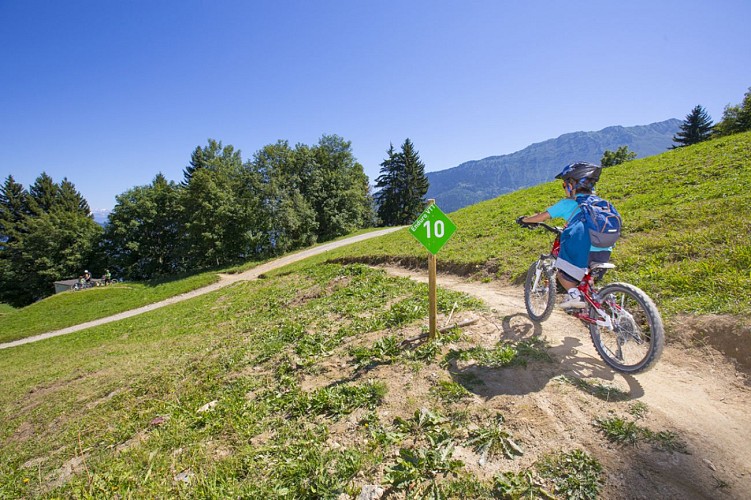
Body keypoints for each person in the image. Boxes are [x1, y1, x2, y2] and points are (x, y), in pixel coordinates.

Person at [517, 161, 614, 309]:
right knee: (587, 279)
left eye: (564, 185)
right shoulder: (602, 203)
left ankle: (575, 297)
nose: (564, 188)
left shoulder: (567, 203)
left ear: (571, 184)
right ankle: (594, 305)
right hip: (604, 249)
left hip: (582, 250)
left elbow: (542, 217)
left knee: (562, 274)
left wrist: (524, 220)